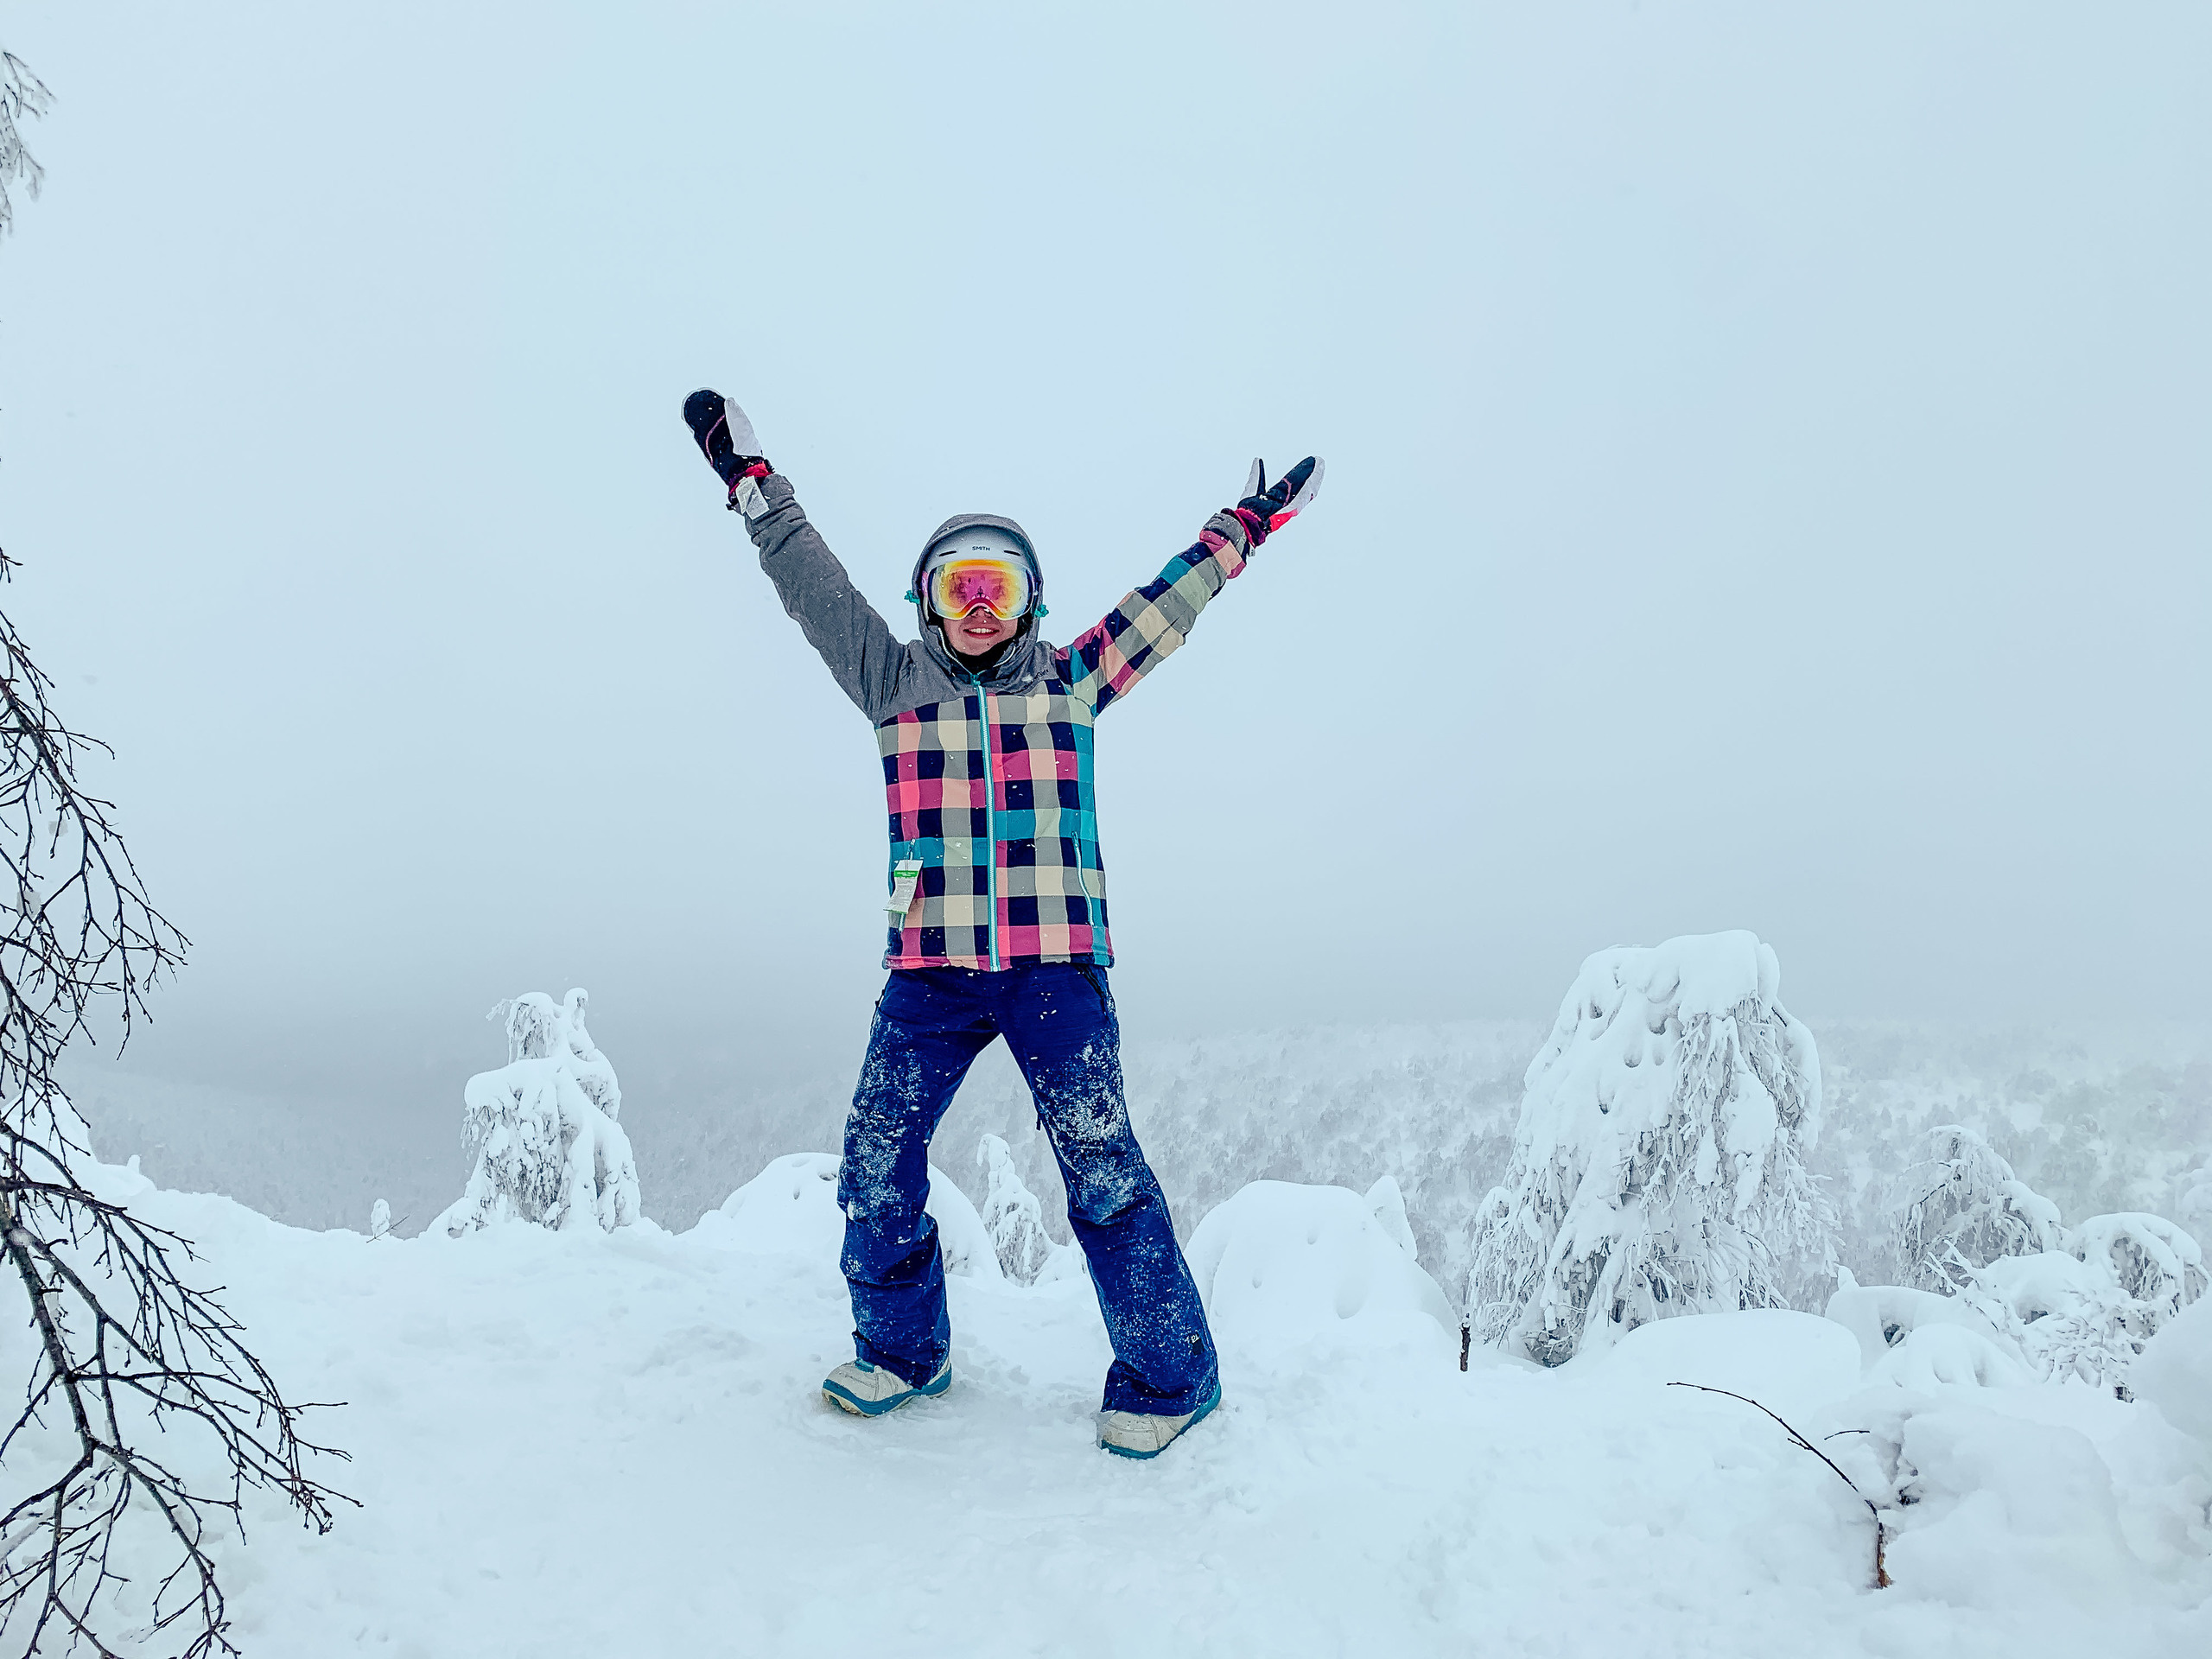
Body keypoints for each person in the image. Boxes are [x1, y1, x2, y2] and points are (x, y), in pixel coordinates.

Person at [681, 389, 1321, 1459]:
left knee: (1100, 1167)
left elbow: (1165, 606)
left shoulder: (1069, 685)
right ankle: (903, 1350)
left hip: (1054, 971)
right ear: (929, 604)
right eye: (959, 587)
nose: (980, 605)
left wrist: (1237, 532)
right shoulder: (891, 684)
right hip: (929, 971)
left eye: (1001, 586)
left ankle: (1171, 1374)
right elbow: (810, 585)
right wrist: (755, 488)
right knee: (876, 1160)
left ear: (1029, 603)